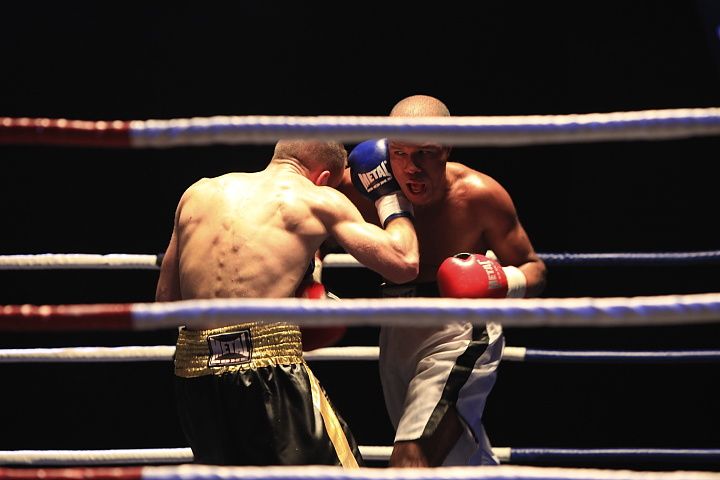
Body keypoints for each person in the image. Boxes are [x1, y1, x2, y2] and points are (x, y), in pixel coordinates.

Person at [155, 139, 419, 467]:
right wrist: (388, 195)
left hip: (194, 377)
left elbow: (166, 299)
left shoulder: (198, 192)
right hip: (268, 369)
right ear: (324, 178)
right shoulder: (316, 198)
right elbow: (404, 262)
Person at [338, 95, 547, 467]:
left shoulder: (478, 196)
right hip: (396, 325)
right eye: (400, 153)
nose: (411, 167)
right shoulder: (365, 185)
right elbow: (307, 214)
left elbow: (534, 269)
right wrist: (312, 276)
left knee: (410, 458)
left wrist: (499, 279)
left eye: (425, 153)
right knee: (448, 459)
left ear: (447, 146)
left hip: (460, 331)